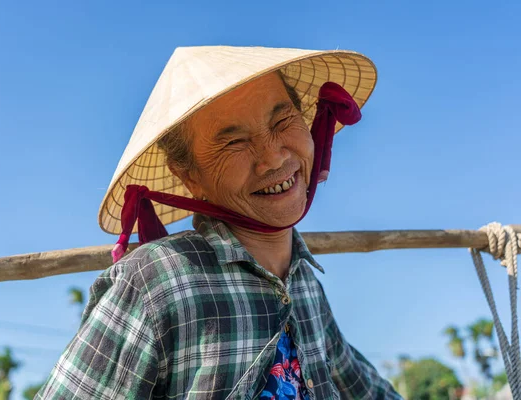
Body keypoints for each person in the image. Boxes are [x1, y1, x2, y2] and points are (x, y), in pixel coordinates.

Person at [36, 46, 402, 399]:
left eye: (282, 121)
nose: (273, 158)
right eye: (234, 143)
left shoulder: (303, 281)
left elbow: (363, 386)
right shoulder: (157, 282)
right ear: (190, 177)